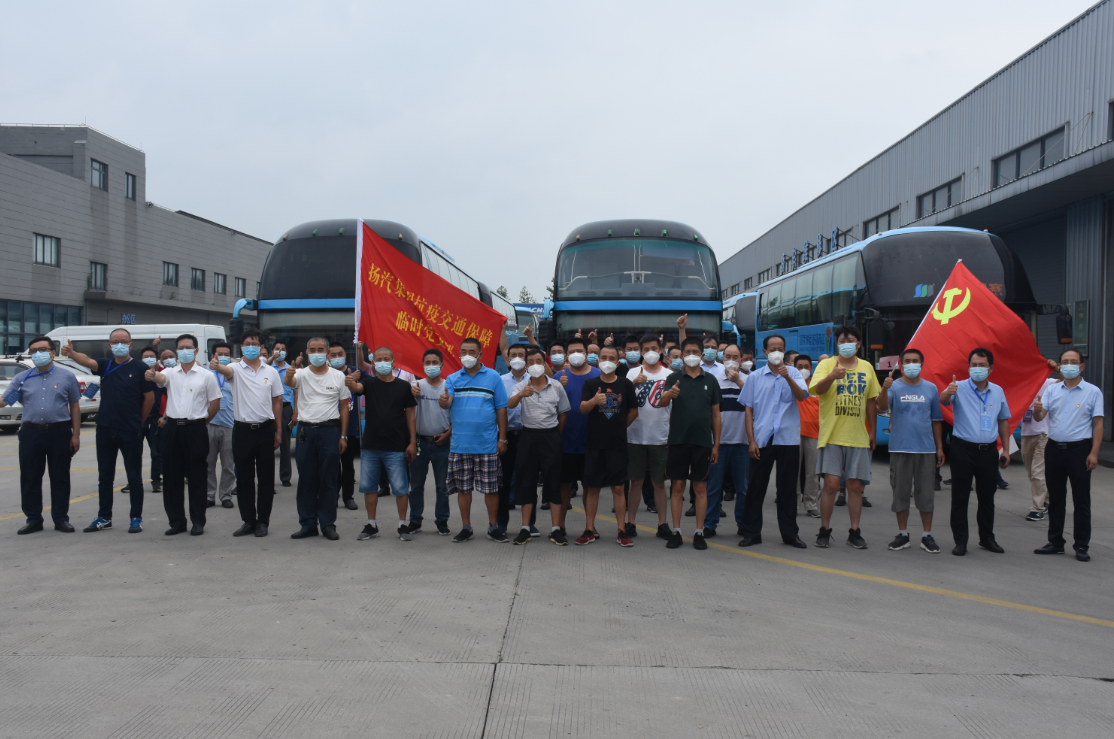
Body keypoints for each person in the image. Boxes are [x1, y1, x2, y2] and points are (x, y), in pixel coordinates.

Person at [62, 328, 155, 534]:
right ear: (109, 345)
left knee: (134, 476)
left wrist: (137, 422)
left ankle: (136, 517)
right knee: (105, 476)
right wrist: (72, 353)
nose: (119, 344)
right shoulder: (106, 365)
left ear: (130, 345)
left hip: (130, 429)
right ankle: (104, 517)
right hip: (105, 428)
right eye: (115, 341)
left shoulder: (140, 367)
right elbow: (88, 361)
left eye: (124, 341)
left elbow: (149, 399)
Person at [208, 329, 284, 538]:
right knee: (244, 478)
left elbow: (277, 401)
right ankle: (248, 521)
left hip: (265, 429)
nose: (251, 347)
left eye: (255, 344)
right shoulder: (235, 369)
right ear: (241, 347)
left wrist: (278, 430)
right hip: (242, 430)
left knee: (266, 479)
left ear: (261, 347)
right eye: (247, 344)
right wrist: (216, 365)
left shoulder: (271, 372)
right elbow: (225, 370)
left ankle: (263, 522)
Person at [809, 326, 879, 550]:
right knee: (831, 485)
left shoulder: (867, 367)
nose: (846, 344)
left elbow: (871, 401)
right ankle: (824, 530)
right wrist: (832, 376)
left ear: (858, 344)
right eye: (841, 340)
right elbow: (816, 390)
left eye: (850, 340)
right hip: (832, 435)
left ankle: (854, 532)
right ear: (837, 344)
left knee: (855, 486)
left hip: (857, 436)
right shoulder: (826, 365)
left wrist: (873, 431)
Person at [3, 336, 81, 534]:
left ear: (52, 353)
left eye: (42, 349)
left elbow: (74, 406)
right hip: (31, 432)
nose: (38, 353)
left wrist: (76, 435)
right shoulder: (22, 378)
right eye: (33, 351)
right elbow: (4, 401)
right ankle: (33, 519)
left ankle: (61, 518)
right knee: (30, 477)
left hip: (59, 432)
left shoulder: (67, 376)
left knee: (60, 477)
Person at [146, 334, 222, 536]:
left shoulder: (206, 375)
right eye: (180, 348)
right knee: (172, 477)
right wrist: (153, 376)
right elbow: (161, 379)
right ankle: (177, 521)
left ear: (196, 351)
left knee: (197, 477)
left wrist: (201, 423)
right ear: (176, 351)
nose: (184, 351)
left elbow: (215, 404)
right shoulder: (170, 372)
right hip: (172, 428)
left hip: (196, 429)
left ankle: (198, 521)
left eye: (188, 347)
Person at [1033, 350, 1103, 562]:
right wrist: (1036, 410)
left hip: (1079, 450)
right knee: (1056, 499)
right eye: (1065, 362)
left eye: (1073, 362)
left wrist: (1094, 452)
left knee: (1081, 500)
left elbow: (1098, 424)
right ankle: (1055, 542)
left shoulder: (1093, 392)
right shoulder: (1052, 390)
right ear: (1060, 365)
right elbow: (1040, 417)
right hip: (1054, 449)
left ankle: (1081, 545)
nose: (1069, 365)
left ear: (1082, 366)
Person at [738, 335, 808, 548]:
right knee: (756, 487)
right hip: (762, 439)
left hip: (788, 439)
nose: (776, 352)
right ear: (765, 352)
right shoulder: (755, 377)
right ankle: (751, 532)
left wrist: (787, 377)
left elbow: (801, 396)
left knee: (787, 489)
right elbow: (748, 411)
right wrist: (751, 441)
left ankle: (790, 534)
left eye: (780, 348)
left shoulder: (793, 373)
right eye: (772, 349)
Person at [939, 348, 1010, 556]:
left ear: (991, 368)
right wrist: (949, 392)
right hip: (963, 449)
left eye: (982, 365)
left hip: (988, 451)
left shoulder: (997, 391)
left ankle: (987, 538)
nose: (977, 369)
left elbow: (1003, 420)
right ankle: (960, 540)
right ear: (968, 367)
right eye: (974, 365)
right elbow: (943, 400)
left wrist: (1006, 449)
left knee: (987, 496)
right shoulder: (958, 387)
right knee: (960, 496)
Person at [440, 337, 509, 542]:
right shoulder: (452, 378)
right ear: (459, 354)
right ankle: (466, 527)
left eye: (472, 351)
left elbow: (501, 409)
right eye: (464, 351)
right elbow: (447, 402)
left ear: (480, 355)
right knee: (463, 489)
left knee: (492, 489)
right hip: (460, 445)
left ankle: (493, 527)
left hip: (487, 444)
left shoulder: (493, 377)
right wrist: (444, 401)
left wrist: (502, 439)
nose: (467, 355)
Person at [345, 346, 417, 542]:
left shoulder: (404, 386)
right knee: (369, 487)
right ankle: (371, 524)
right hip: (371, 445)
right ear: (373, 363)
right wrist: (350, 383)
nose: (383, 362)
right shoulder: (369, 383)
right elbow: (357, 388)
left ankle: (402, 525)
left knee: (400, 488)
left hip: (396, 446)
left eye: (386, 359)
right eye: (379, 359)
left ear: (393, 362)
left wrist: (412, 442)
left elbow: (411, 415)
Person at [876, 349, 944, 554]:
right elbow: (881, 407)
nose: (911, 364)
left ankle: (927, 535)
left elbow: (936, 420)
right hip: (900, 448)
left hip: (925, 450)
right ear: (901, 364)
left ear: (922, 364)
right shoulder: (894, 386)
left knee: (926, 495)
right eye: (907, 361)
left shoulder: (931, 388)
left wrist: (939, 447)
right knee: (901, 493)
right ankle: (903, 534)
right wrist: (884, 389)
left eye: (915, 361)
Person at [658, 336, 722, 550]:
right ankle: (676, 531)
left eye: (695, 352)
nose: (691, 356)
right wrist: (670, 393)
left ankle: (699, 532)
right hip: (678, 440)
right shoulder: (673, 378)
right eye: (687, 352)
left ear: (702, 355)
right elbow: (662, 402)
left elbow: (716, 415)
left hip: (702, 442)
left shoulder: (711, 380)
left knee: (700, 486)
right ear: (682, 355)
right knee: (677, 485)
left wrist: (716, 445)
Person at [283, 338, 350, 541]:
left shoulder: (338, 376)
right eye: (312, 350)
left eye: (321, 349)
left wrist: (343, 435)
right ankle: (308, 524)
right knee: (306, 479)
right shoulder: (301, 374)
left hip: (330, 431)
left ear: (327, 353)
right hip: (306, 431)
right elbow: (290, 383)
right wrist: (289, 375)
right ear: (307, 352)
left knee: (328, 479)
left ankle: (328, 524)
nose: (316, 353)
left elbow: (344, 406)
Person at [507, 346, 571, 544]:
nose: (535, 365)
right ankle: (525, 528)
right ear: (526, 366)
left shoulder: (556, 386)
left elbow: (563, 414)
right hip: (528, 436)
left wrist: (554, 435)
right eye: (531, 362)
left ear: (545, 364)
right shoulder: (522, 386)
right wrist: (521, 395)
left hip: (550, 436)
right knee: (527, 481)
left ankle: (556, 529)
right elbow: (510, 404)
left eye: (539, 361)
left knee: (553, 481)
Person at [578, 345, 638, 546]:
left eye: (612, 358)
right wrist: (594, 401)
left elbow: (633, 411)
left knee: (619, 488)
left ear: (618, 362)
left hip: (617, 444)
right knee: (593, 488)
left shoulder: (625, 384)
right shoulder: (590, 383)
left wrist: (619, 427)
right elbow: (583, 408)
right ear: (597, 360)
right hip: (595, 444)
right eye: (603, 357)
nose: (607, 361)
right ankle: (589, 529)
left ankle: (622, 531)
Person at [551, 337, 600, 543]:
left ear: (587, 353)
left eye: (579, 350)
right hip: (566, 440)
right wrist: (559, 387)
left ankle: (590, 526)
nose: (575, 354)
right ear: (566, 355)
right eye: (571, 351)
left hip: (591, 440)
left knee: (590, 486)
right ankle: (560, 525)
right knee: (564, 485)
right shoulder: (559, 376)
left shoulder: (598, 375)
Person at [625, 334, 672, 540]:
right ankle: (631, 523)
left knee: (659, 483)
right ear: (641, 352)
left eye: (654, 348)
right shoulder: (632, 373)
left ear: (661, 350)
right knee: (635, 482)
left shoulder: (669, 375)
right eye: (646, 349)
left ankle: (662, 524)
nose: (650, 352)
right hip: (635, 436)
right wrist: (634, 384)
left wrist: (671, 436)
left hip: (660, 437)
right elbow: (623, 402)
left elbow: (674, 408)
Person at [705, 344, 748, 538]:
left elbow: (754, 402)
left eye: (735, 357)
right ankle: (710, 523)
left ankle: (743, 524)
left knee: (743, 488)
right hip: (718, 443)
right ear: (722, 359)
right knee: (714, 487)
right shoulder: (714, 380)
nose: (731, 360)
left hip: (742, 442)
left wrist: (738, 381)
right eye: (728, 356)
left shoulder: (749, 379)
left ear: (741, 360)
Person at [409, 349, 453, 535]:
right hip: (420, 442)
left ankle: (442, 521)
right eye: (428, 362)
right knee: (416, 485)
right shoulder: (416, 386)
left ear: (442, 365)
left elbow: (457, 416)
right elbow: (408, 411)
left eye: (435, 362)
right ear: (423, 365)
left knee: (442, 486)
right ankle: (415, 520)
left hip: (442, 442)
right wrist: (411, 393)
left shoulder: (449, 386)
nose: (431, 366)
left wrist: (447, 435)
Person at [499, 343, 529, 534]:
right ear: (508, 359)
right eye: (513, 355)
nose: (517, 358)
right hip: (507, 435)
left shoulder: (535, 379)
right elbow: (498, 409)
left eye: (521, 354)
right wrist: (501, 439)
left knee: (528, 480)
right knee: (503, 481)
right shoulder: (500, 380)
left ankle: (529, 524)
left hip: (528, 434)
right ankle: (501, 523)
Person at [1021, 373, 1058, 522]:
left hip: (1044, 434)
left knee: (1038, 472)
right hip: (1026, 433)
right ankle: (1047, 500)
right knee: (1032, 472)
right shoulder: (1022, 383)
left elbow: (1064, 380)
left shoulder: (1048, 382)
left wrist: (1057, 367)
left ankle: (1037, 509)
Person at [205, 342, 236, 510]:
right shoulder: (206, 373)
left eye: (226, 354)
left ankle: (226, 495)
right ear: (213, 356)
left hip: (229, 425)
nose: (223, 357)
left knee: (228, 465)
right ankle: (209, 496)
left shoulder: (233, 373)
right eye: (219, 354)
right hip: (209, 424)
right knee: (208, 464)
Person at [333, 342, 362, 512]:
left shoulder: (354, 371)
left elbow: (370, 381)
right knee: (332, 464)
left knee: (348, 464)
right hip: (330, 426)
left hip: (349, 426)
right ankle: (333, 495)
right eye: (333, 355)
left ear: (345, 355)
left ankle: (348, 497)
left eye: (340, 354)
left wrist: (355, 382)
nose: (337, 357)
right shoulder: (326, 373)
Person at [794, 354, 820, 518]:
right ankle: (794, 503)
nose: (803, 369)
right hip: (794, 433)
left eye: (806, 367)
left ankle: (811, 504)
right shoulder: (791, 384)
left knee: (813, 472)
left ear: (811, 368)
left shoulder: (818, 386)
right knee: (794, 471)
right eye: (800, 367)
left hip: (815, 433)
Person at [139, 346, 165, 494]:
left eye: (151, 356)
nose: (148, 359)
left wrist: (164, 416)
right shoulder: (136, 375)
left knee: (156, 453)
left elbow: (171, 396)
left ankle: (156, 481)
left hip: (155, 418)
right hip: (137, 419)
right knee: (134, 452)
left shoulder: (160, 377)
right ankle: (133, 481)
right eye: (145, 356)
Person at [270, 341, 295, 488]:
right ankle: (268, 479)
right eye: (277, 349)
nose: (280, 351)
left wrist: (295, 412)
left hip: (285, 408)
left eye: (283, 349)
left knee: (285, 443)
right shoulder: (267, 368)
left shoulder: (290, 369)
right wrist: (271, 358)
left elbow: (296, 391)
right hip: (269, 407)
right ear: (272, 351)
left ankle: (285, 477)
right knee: (268, 444)